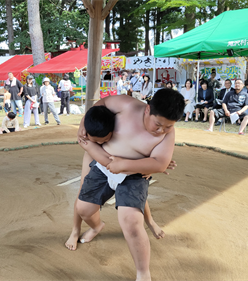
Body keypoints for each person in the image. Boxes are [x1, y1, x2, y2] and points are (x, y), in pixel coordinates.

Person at [73, 90, 184, 281]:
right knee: (83, 209)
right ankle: (97, 226)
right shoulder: (127, 105)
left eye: (168, 127)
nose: (161, 131)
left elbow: (159, 163)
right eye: (158, 124)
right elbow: (100, 105)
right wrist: (83, 124)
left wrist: (124, 165)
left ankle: (143, 273)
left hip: (135, 175)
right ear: (148, 110)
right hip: (102, 167)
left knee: (131, 221)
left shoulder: (167, 134)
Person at [65, 105, 177, 251]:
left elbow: (143, 148)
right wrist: (82, 126)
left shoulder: (122, 121)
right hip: (97, 158)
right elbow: (96, 107)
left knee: (134, 192)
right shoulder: (89, 135)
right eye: (96, 141)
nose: (99, 143)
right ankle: (77, 230)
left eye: (103, 140)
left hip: (124, 163)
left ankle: (150, 221)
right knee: (83, 191)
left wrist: (155, 164)